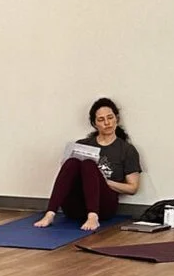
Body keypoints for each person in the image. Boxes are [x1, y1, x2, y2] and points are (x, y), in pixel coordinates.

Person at [37, 99, 142, 233]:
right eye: (101, 120)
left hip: (103, 207)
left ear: (117, 119)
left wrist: (104, 181)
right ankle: (50, 213)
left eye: (110, 118)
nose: (107, 123)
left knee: (89, 164)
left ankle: (93, 216)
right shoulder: (83, 144)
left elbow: (132, 188)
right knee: (72, 162)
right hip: (76, 206)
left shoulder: (126, 150)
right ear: (94, 124)